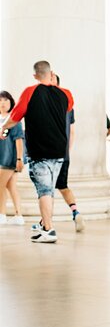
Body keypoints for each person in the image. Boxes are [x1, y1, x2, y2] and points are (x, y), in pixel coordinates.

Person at [0, 61, 73, 243]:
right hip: (59, 151)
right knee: (49, 190)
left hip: (40, 151)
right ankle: (45, 224)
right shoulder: (66, 95)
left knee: (44, 191)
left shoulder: (30, 91)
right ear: (51, 74)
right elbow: (65, 109)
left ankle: (48, 230)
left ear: (35, 76)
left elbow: (15, 117)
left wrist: (2, 127)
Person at [50, 75, 85, 232]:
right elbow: (72, 132)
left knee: (46, 190)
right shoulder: (69, 106)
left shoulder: (48, 103)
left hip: (49, 154)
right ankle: (75, 212)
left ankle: (45, 223)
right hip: (64, 154)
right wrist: (67, 152)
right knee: (63, 186)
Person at [0, 91, 25, 225]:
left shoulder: (13, 119)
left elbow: (19, 139)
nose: (2, 103)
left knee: (0, 185)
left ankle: (1, 214)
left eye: (5, 100)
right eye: (0, 101)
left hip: (10, 158)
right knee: (10, 186)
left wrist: (19, 159)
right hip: (3, 157)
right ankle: (18, 215)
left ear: (11, 102)